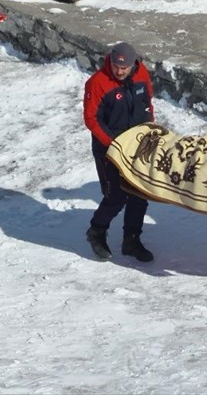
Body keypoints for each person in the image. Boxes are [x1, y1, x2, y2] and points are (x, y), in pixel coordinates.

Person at [83, 42, 156, 263]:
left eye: (124, 67)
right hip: (109, 148)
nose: (119, 71)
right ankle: (96, 231)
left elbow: (147, 103)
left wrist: (150, 129)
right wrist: (113, 144)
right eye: (116, 66)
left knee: (139, 193)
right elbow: (91, 119)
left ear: (134, 64)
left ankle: (131, 240)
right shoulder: (97, 83)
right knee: (116, 195)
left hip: (136, 146)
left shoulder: (142, 74)